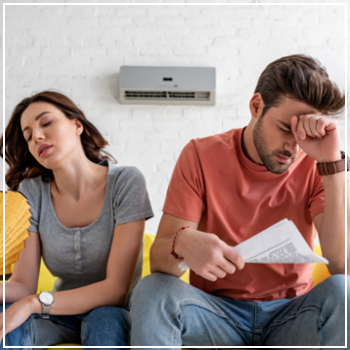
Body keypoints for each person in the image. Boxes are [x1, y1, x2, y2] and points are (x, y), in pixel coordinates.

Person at [130, 54, 349, 347]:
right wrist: (181, 243)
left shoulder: (317, 164)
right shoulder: (200, 155)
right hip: (215, 313)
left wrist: (332, 163)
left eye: (302, 135)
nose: (293, 146)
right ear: (256, 106)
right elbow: (159, 264)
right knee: (153, 290)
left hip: (293, 314)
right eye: (285, 129)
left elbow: (340, 265)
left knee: (342, 291)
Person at [0, 91, 153, 348]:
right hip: (57, 315)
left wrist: (33, 303)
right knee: (7, 318)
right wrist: (24, 302)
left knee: (104, 320)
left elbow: (115, 291)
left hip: (113, 314)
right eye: (28, 136)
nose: (37, 136)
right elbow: (23, 286)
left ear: (77, 125)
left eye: (46, 122)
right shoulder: (32, 191)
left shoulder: (126, 182)